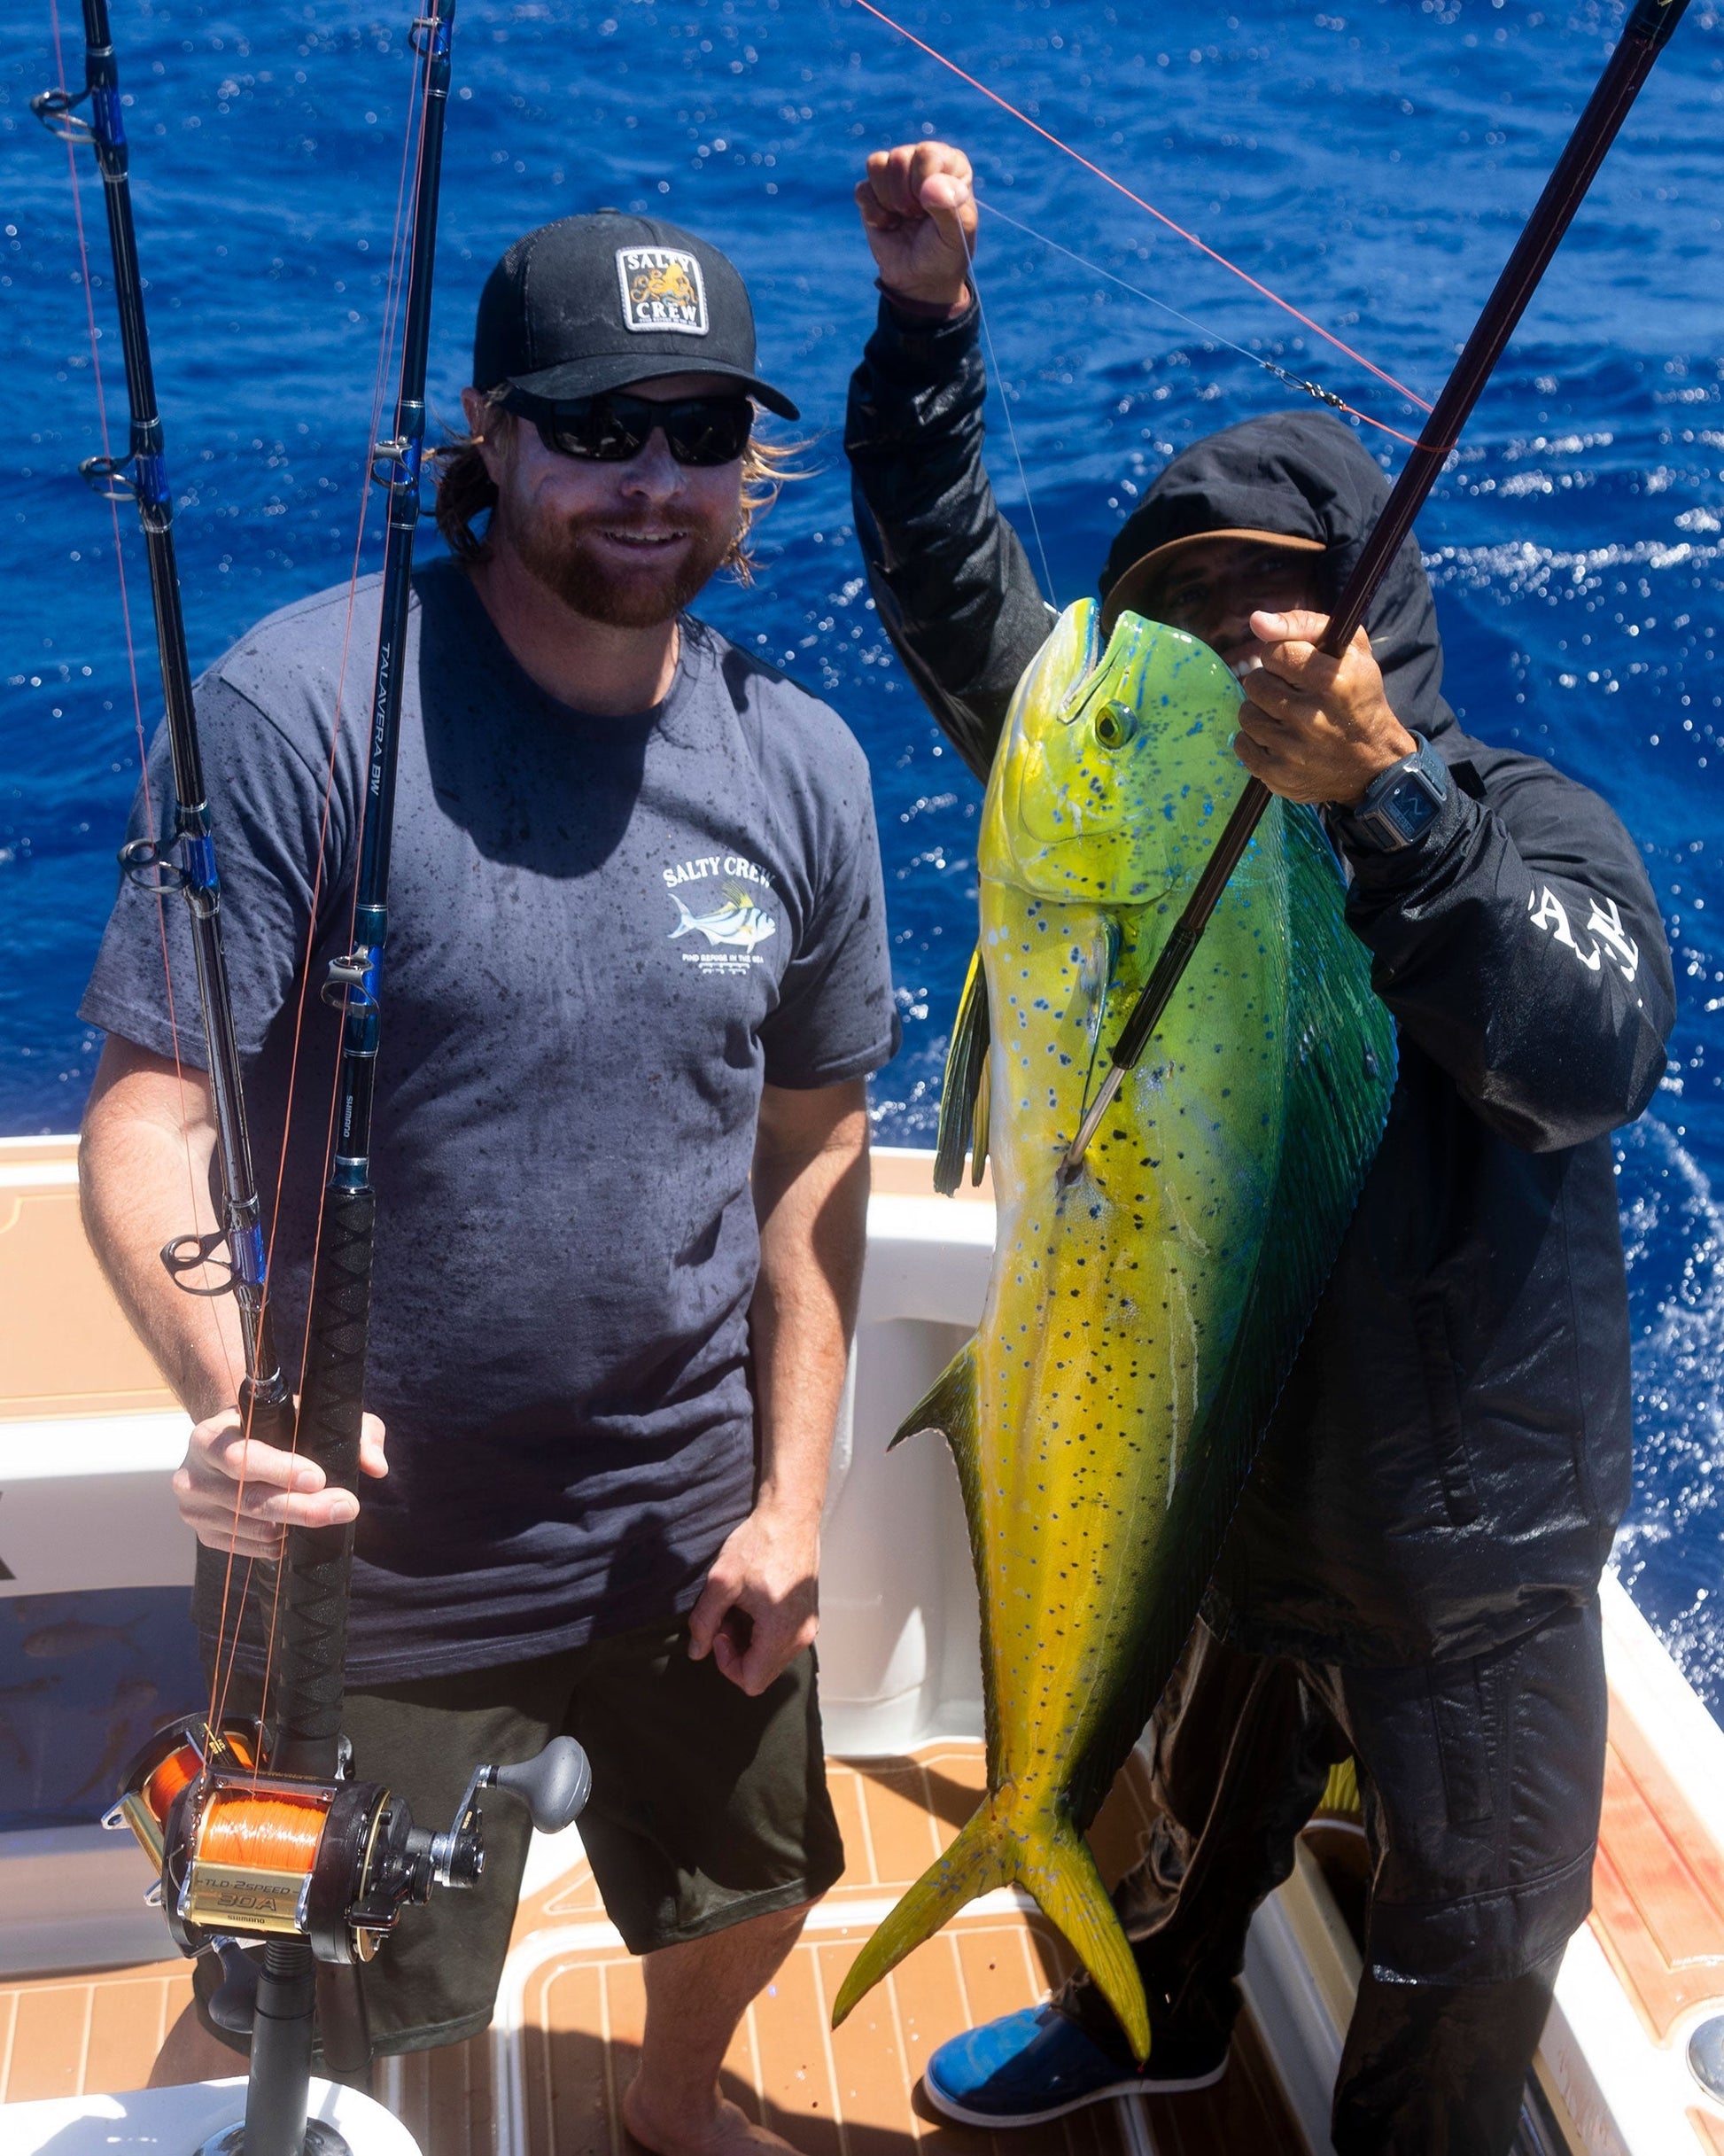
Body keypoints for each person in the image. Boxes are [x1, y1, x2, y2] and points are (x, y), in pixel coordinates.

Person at [844, 142, 1674, 2155]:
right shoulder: (1119, 814)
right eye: (1181, 609)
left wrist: (1391, 812)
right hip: (1219, 1489)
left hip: (1461, 1557)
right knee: (1188, 1832)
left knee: (1466, 1943)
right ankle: (1156, 2009)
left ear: (1374, 621)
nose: (1228, 644)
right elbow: (965, 596)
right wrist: (926, 332)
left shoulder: (1520, 816)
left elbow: (1586, 1043)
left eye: (1277, 603)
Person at [80, 211, 899, 2156]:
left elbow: (817, 1147)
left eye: (697, 430)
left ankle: (674, 2107)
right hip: (368, 1553)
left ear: (744, 463)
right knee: (298, 1984)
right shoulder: (297, 713)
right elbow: (148, 1108)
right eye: (598, 425)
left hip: (692, 1523)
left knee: (757, 1879)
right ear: (491, 433)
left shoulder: (803, 766)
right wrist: (224, 1396)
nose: (650, 480)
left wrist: (791, 1497)